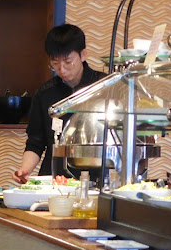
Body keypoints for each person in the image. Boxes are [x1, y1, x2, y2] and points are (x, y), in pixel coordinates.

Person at [12, 24, 106, 184]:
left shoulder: (103, 86)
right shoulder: (45, 93)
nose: (61, 69)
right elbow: (35, 142)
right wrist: (25, 170)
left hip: (95, 179)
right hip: (53, 179)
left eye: (68, 62)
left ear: (83, 55)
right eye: (55, 63)